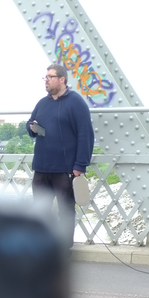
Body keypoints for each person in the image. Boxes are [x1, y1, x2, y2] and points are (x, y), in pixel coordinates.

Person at [27, 64, 95, 248]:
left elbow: (85, 134)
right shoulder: (42, 103)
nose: (46, 80)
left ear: (62, 79)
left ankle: (64, 249)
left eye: (50, 76)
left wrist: (80, 165)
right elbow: (29, 123)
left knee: (65, 212)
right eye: (45, 77)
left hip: (65, 170)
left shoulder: (76, 102)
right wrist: (31, 128)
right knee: (40, 210)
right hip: (41, 168)